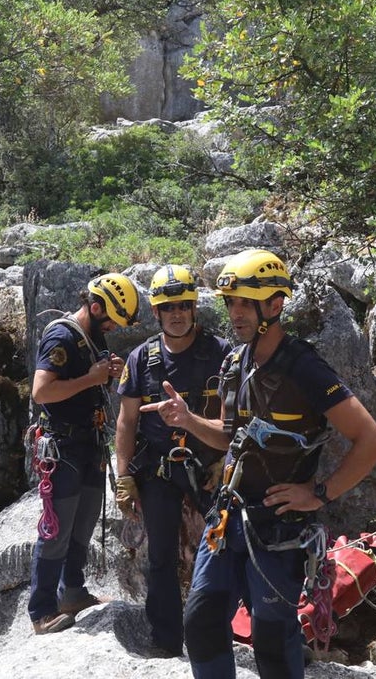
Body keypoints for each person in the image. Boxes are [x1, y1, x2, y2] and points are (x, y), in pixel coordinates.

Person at [140, 249, 376, 679]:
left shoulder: (303, 367)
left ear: (275, 305)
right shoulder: (235, 362)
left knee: (273, 641)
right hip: (228, 514)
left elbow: (371, 440)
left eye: (244, 303)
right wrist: (187, 420)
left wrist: (319, 493)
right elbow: (228, 435)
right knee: (200, 623)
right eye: (230, 302)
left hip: (278, 526)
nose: (235, 313)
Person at [114, 265, 231, 657]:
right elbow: (127, 422)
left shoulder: (220, 354)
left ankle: (226, 631)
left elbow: (241, 418)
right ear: (156, 313)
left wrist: (226, 458)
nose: (177, 314)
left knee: (230, 546)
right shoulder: (140, 360)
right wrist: (123, 476)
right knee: (160, 556)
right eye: (168, 308)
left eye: (183, 305)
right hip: (160, 470)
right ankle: (166, 641)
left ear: (194, 308)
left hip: (209, 467)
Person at [27, 272, 140, 635]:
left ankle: (72, 592)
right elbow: (41, 391)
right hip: (63, 445)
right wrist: (91, 379)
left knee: (85, 519)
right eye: (110, 319)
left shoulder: (94, 335)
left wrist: (108, 374)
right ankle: (41, 611)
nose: (112, 327)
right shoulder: (60, 336)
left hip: (89, 442)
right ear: (94, 307)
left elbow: (91, 376)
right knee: (56, 528)